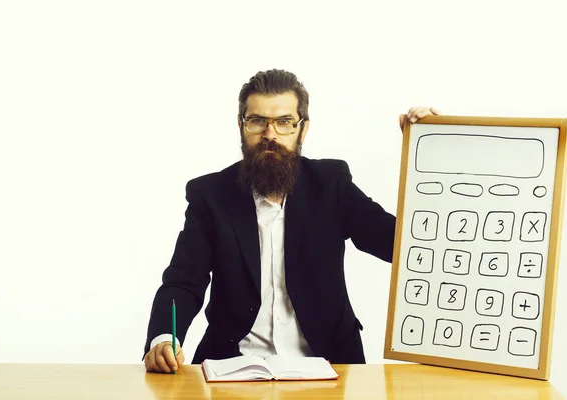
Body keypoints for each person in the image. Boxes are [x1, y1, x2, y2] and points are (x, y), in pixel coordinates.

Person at [143, 69, 440, 373]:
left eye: (284, 122)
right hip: (233, 367)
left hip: (328, 367)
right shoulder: (211, 195)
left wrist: (427, 156)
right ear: (242, 126)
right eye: (257, 121)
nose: (270, 134)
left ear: (303, 129)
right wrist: (164, 338)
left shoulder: (331, 183)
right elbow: (183, 280)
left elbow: (400, 247)